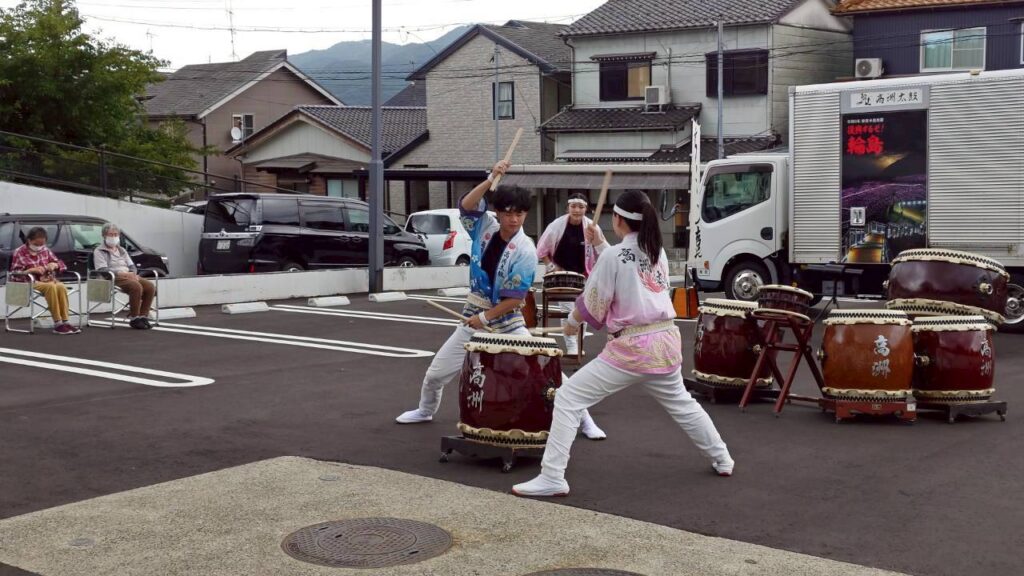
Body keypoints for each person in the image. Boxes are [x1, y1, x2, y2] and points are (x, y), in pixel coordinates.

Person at [513, 190, 734, 497]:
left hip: (632, 347)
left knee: (568, 398)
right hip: (664, 341)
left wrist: (571, 322)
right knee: (683, 405)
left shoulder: (613, 256)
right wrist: (599, 243)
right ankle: (722, 457)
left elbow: (595, 299)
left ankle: (552, 476)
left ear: (617, 219)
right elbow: (624, 265)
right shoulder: (656, 251)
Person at [396, 160, 605, 440]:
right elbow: (467, 206)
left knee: (544, 369)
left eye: (519, 213)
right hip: (473, 315)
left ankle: (585, 419)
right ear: (497, 212)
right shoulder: (485, 226)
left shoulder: (525, 250)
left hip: (507, 322)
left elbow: (515, 299)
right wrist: (490, 178)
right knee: (436, 373)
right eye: (508, 213)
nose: (514, 219)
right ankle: (425, 409)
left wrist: (484, 318)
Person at [536, 192, 602, 355]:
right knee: (568, 311)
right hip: (561, 276)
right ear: (568, 208)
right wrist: (552, 267)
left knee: (584, 311)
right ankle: (572, 346)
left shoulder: (591, 227)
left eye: (580, 207)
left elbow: (600, 251)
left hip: (584, 276)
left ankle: (580, 343)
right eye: (573, 206)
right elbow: (542, 249)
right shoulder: (556, 225)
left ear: (586, 209)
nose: (577, 210)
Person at [9, 227, 80, 334]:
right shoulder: (19, 252)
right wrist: (30, 270)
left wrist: (54, 265)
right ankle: (58, 323)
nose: (39, 247)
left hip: (47, 280)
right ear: (29, 240)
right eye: (36, 244)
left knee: (60, 286)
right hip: (28, 282)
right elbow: (14, 273)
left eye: (41, 244)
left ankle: (65, 321)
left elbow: (61, 264)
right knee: (51, 287)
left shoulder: (45, 250)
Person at [93, 223, 155, 330]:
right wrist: (122, 273)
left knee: (150, 287)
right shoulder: (99, 251)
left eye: (115, 234)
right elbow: (102, 270)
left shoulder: (122, 250)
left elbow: (132, 266)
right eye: (111, 234)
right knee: (136, 287)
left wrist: (133, 274)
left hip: (128, 275)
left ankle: (143, 316)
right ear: (104, 235)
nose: (113, 237)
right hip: (113, 277)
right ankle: (134, 318)